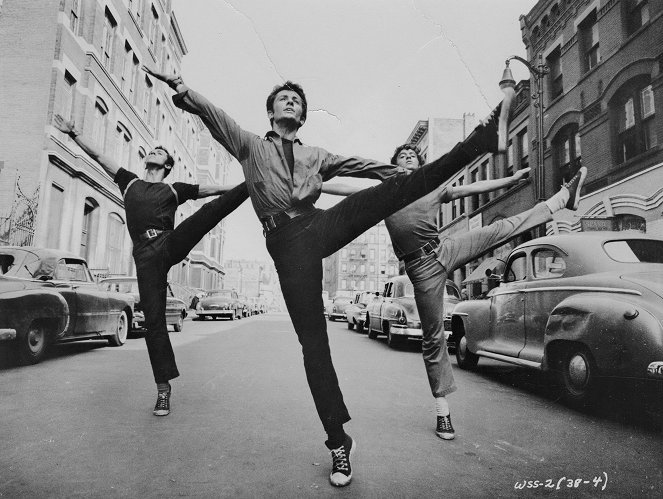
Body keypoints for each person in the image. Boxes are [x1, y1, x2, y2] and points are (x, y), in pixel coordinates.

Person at [143, 65, 511, 487]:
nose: (292, 102)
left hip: (319, 225)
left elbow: (362, 165)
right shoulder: (249, 146)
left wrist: (399, 175)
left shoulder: (315, 154)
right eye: (284, 98)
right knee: (314, 346)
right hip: (287, 245)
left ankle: (481, 140)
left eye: (297, 100)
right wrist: (182, 88)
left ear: (302, 117)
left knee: (387, 194)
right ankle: (338, 441)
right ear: (271, 113)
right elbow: (215, 115)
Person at [325, 142, 587, 441]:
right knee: (432, 337)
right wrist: (314, 186)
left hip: (445, 248)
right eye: (402, 156)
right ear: (394, 164)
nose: (408, 158)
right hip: (422, 268)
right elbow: (348, 190)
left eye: (413, 156)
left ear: (421, 165)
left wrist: (512, 180)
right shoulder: (384, 193)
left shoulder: (433, 186)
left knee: (498, 230)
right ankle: (442, 411)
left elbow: (474, 187)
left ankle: (561, 200)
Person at [53, 114, 249, 417]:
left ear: (167, 165)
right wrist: (73, 131)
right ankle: (163, 389)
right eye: (153, 151)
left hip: (169, 242)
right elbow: (100, 156)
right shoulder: (129, 182)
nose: (155, 152)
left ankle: (254, 183)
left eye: (160, 152)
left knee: (210, 212)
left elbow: (211, 190)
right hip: (145, 255)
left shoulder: (174, 189)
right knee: (154, 322)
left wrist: (238, 186)